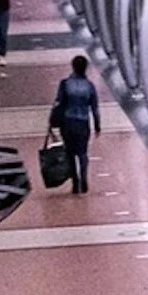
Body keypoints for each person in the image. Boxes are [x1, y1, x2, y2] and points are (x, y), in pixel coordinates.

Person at [50, 54, 100, 195]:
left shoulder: (65, 84)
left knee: (70, 153)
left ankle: (75, 181)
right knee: (83, 153)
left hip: (68, 121)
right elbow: (95, 108)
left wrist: (52, 120)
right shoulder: (89, 86)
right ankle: (84, 177)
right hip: (83, 122)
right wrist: (97, 125)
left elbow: (58, 102)